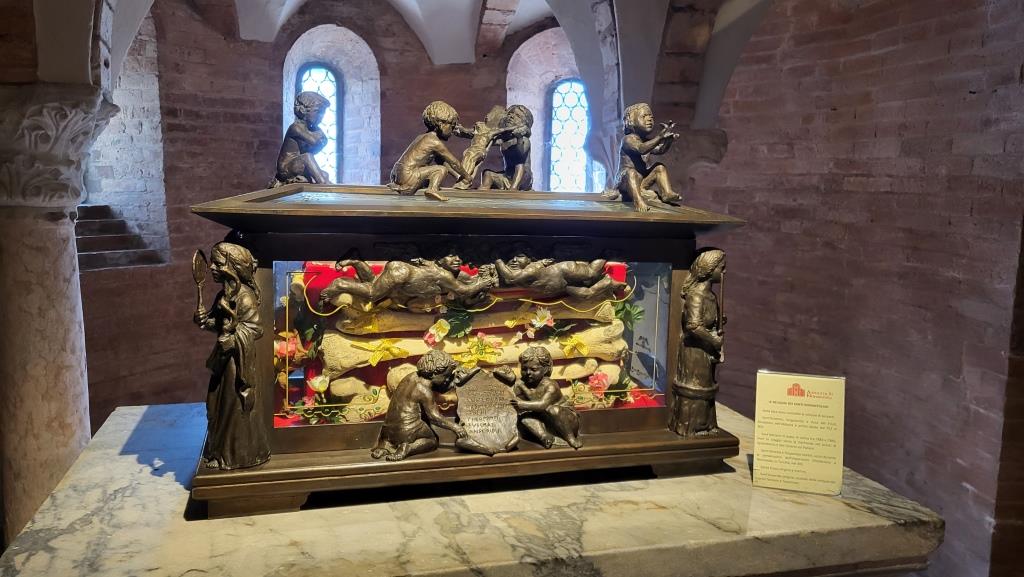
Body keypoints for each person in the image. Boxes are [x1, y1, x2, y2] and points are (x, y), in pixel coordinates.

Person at [193, 242, 271, 469]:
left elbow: (255, 329)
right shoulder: (224, 295)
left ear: (232, 267)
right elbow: (219, 323)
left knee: (232, 407)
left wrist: (233, 340)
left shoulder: (244, 296)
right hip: (223, 361)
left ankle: (234, 456)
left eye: (217, 263)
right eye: (212, 263)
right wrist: (204, 320)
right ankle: (219, 450)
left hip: (237, 365)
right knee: (215, 404)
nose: (212, 267)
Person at [371, 350, 469, 461]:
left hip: (387, 432)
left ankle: (384, 447)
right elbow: (434, 417)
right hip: (407, 431)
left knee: (394, 435)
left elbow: (439, 386)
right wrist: (456, 427)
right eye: (446, 376)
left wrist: (453, 382)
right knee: (432, 441)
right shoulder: (424, 391)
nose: (447, 379)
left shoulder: (410, 377)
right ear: (434, 374)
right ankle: (408, 448)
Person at [669, 248, 726, 437]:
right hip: (694, 351)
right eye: (721, 268)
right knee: (695, 388)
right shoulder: (697, 296)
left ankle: (706, 424)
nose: (724, 272)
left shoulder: (711, 297)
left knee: (707, 386)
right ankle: (689, 426)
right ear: (709, 270)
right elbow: (693, 326)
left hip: (705, 350)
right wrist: (714, 340)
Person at [496, 346, 582, 449]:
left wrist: (521, 404)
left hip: (566, 421)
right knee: (525, 419)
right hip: (545, 421)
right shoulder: (523, 382)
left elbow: (542, 405)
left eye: (533, 369)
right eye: (524, 369)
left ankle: (570, 438)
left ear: (545, 369)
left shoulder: (551, 385)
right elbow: (511, 393)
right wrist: (510, 379)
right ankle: (545, 437)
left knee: (554, 410)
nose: (528, 373)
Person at [388, 101, 471, 201]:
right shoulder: (434, 141)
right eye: (452, 126)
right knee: (440, 170)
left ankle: (413, 186)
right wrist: (467, 176)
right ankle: (432, 190)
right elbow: (454, 163)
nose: (452, 130)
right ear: (441, 124)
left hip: (396, 174)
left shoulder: (421, 137)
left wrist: (458, 176)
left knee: (434, 170)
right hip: (408, 175)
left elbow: (443, 162)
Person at [608, 102, 681, 212]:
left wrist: (668, 141)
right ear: (631, 121)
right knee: (631, 172)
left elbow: (660, 150)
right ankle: (638, 201)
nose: (649, 119)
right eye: (644, 116)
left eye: (651, 117)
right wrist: (660, 137)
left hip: (641, 181)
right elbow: (641, 149)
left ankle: (666, 193)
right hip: (626, 181)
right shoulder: (628, 139)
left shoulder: (646, 141)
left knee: (659, 167)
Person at [268, 91, 331, 188]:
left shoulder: (311, 130)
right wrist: (318, 132)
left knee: (325, 174)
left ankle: (311, 181)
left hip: (299, 165)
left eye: (323, 113)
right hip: (286, 168)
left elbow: (322, 143)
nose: (321, 116)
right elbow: (315, 142)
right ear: (302, 110)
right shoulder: (296, 127)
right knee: (307, 157)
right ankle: (324, 186)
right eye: (317, 111)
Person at [451, 105, 520, 189]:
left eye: (491, 115)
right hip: (472, 149)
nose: (487, 116)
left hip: (479, 150)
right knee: (470, 163)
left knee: (470, 159)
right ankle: (465, 181)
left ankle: (464, 179)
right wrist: (461, 129)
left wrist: (515, 127)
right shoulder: (480, 127)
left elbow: (503, 131)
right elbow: (468, 132)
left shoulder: (492, 132)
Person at [480, 104, 534, 191]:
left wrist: (519, 138)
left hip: (523, 178)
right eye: (510, 113)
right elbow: (484, 140)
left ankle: (513, 190)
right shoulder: (504, 139)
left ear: (524, 123)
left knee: (520, 166)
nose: (511, 116)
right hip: (507, 177)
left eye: (518, 116)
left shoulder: (524, 140)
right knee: (487, 173)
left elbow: (520, 155)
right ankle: (482, 193)